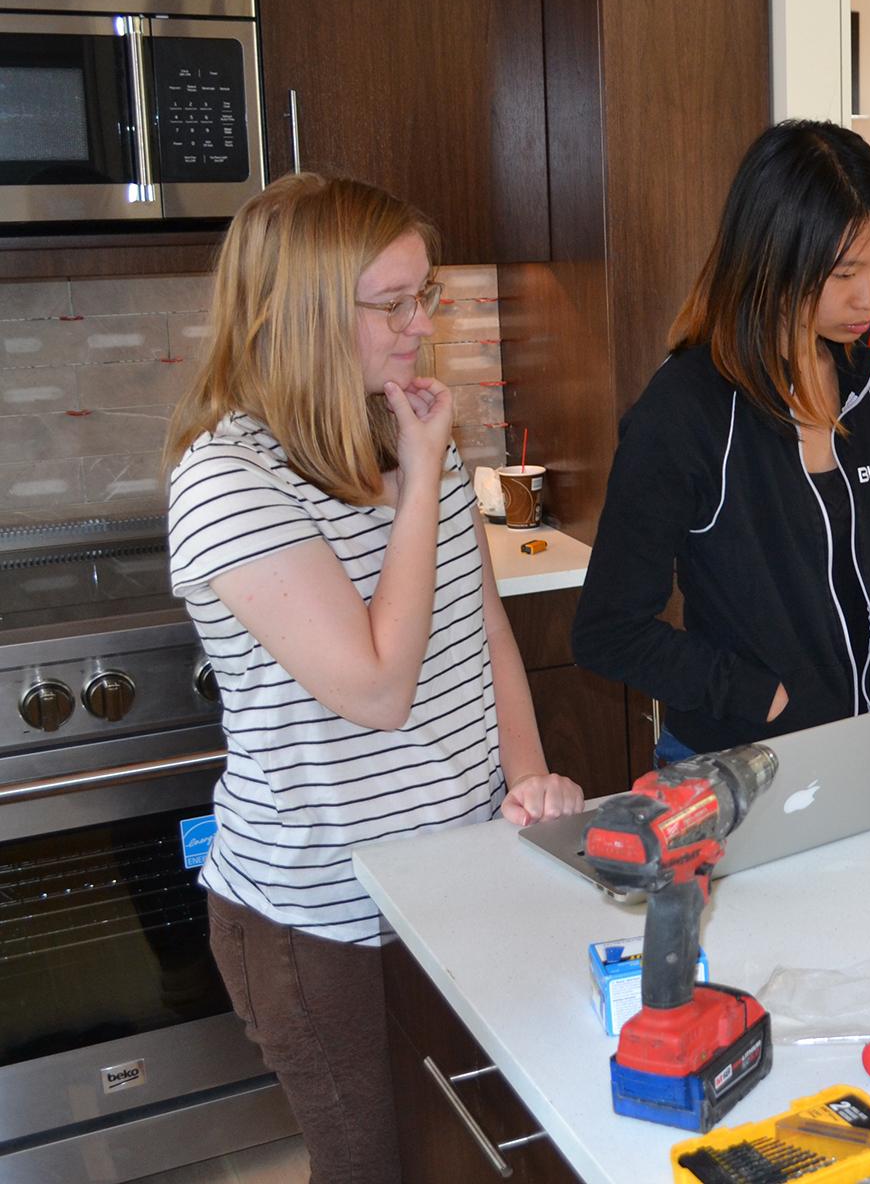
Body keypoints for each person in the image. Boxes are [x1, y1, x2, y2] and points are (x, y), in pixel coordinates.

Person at [163, 173, 585, 1184]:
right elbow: (380, 682)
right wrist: (423, 468)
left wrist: (528, 784)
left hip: (465, 871)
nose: (421, 324)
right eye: (392, 303)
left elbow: (483, 634)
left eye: (424, 294)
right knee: (376, 1167)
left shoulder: (405, 431)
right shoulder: (226, 481)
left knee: (476, 1147)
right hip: (324, 918)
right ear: (302, 314)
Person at [571, 120, 870, 758]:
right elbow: (607, 631)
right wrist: (757, 696)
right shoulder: (687, 409)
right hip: (740, 764)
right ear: (772, 260)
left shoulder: (862, 379)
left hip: (867, 753)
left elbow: (859, 576)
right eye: (843, 274)